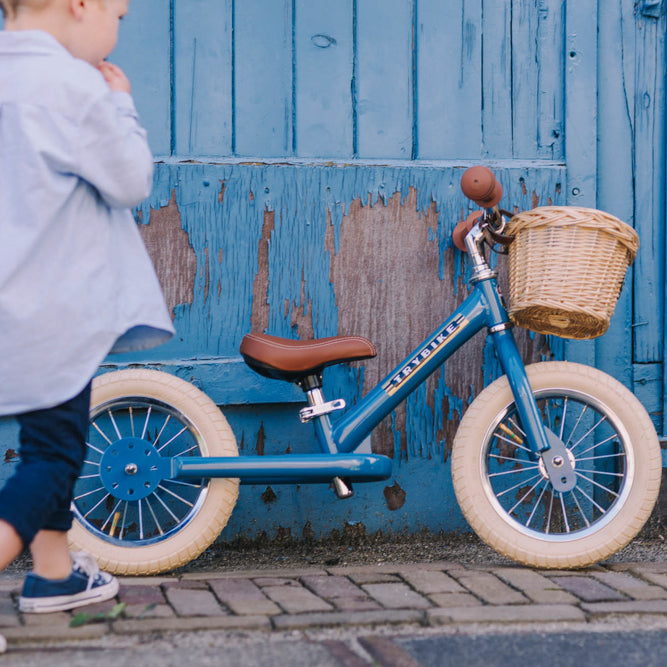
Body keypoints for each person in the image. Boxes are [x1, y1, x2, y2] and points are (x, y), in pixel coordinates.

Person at [0, 0, 174, 637]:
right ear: (81, 5)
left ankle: (52, 574)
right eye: (119, 16)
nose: (115, 30)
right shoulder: (71, 84)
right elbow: (129, 179)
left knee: (47, 444)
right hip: (47, 310)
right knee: (52, 456)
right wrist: (120, 104)